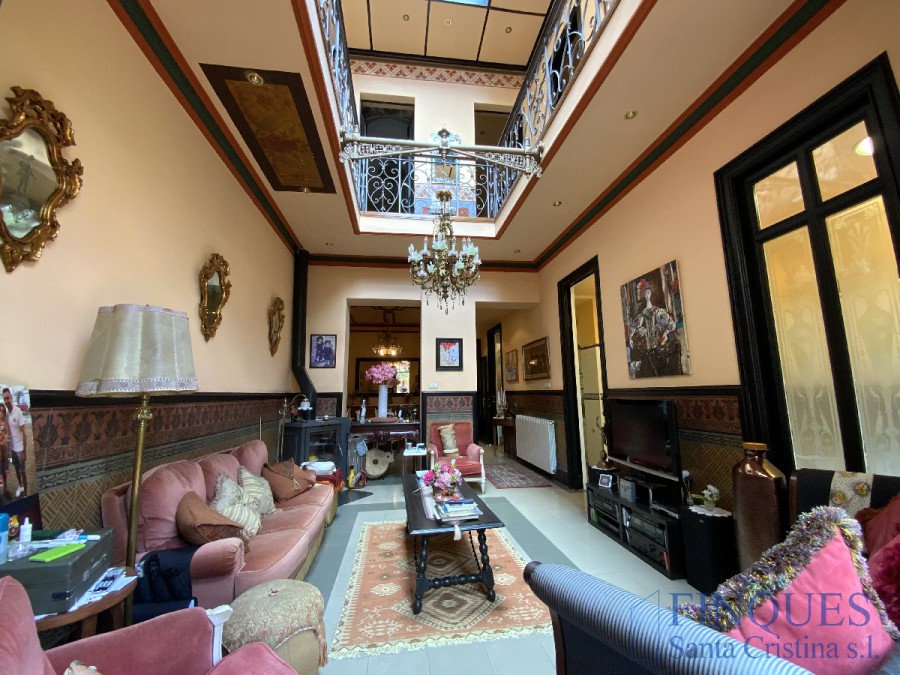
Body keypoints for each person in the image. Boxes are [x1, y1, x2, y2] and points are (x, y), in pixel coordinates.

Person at [2, 388, 27, 498]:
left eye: (8, 398)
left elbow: (24, 434)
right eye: (4, 399)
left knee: (23, 471)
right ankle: (20, 486)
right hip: (12, 448)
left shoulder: (18, 412)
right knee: (16, 468)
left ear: (11, 398)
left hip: (20, 449)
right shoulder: (6, 414)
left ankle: (26, 493)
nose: (6, 400)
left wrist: (24, 452)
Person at [0, 404, 9, 498]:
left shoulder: (5, 424)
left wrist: (4, 440)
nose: (1, 413)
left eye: (3, 411)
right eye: (0, 410)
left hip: (4, 451)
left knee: (4, 471)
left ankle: (5, 489)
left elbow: (7, 434)